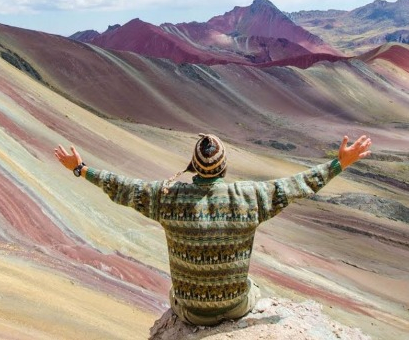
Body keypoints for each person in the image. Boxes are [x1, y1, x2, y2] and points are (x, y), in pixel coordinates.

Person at [54, 133, 372, 326]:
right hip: (237, 308)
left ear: (193, 166)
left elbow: (122, 186)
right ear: (223, 167)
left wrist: (80, 169)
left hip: (190, 312)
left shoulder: (167, 198)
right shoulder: (250, 198)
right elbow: (297, 185)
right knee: (252, 286)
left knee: (173, 293)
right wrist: (338, 164)